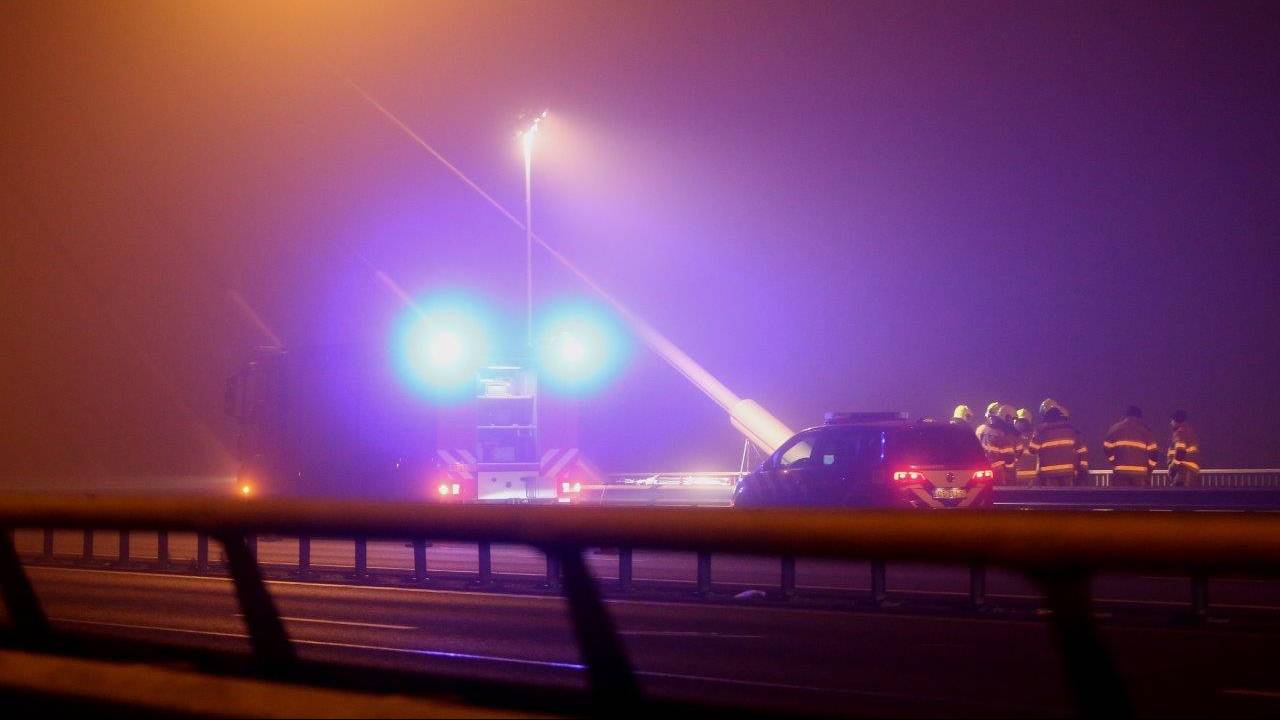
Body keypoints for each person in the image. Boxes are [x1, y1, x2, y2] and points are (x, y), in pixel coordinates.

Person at [1029, 399, 1089, 487]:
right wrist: (1083, 469)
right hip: (1068, 472)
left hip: (1048, 475)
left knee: (1052, 495)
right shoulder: (1071, 430)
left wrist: (1036, 434)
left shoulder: (1041, 431)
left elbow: (1032, 450)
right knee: (1067, 495)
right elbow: (1082, 450)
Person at [1103, 406, 1159, 487]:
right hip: (1140, 475)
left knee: (1120, 495)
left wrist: (1114, 461)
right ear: (1139, 418)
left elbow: (1106, 448)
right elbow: (1154, 453)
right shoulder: (1145, 431)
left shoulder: (1114, 429)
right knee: (1139, 495)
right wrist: (1149, 469)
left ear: (1126, 416)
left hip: (1120, 473)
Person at [977, 403, 1018, 484]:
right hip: (998, 475)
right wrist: (1011, 481)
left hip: (983, 473)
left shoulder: (982, 429)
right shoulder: (1003, 433)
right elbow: (1009, 460)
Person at [1167, 410, 1201, 487]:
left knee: (1180, 493)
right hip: (1191, 472)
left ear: (1176, 421)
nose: (1171, 423)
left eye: (1172, 421)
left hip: (1183, 471)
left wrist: (1173, 467)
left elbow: (1180, 451)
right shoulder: (1189, 432)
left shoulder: (1180, 432)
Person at [1012, 408, 1038, 485]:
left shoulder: (1035, 436)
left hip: (1033, 479)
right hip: (1018, 478)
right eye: (1019, 422)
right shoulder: (1013, 437)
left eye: (1022, 422)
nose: (1020, 425)